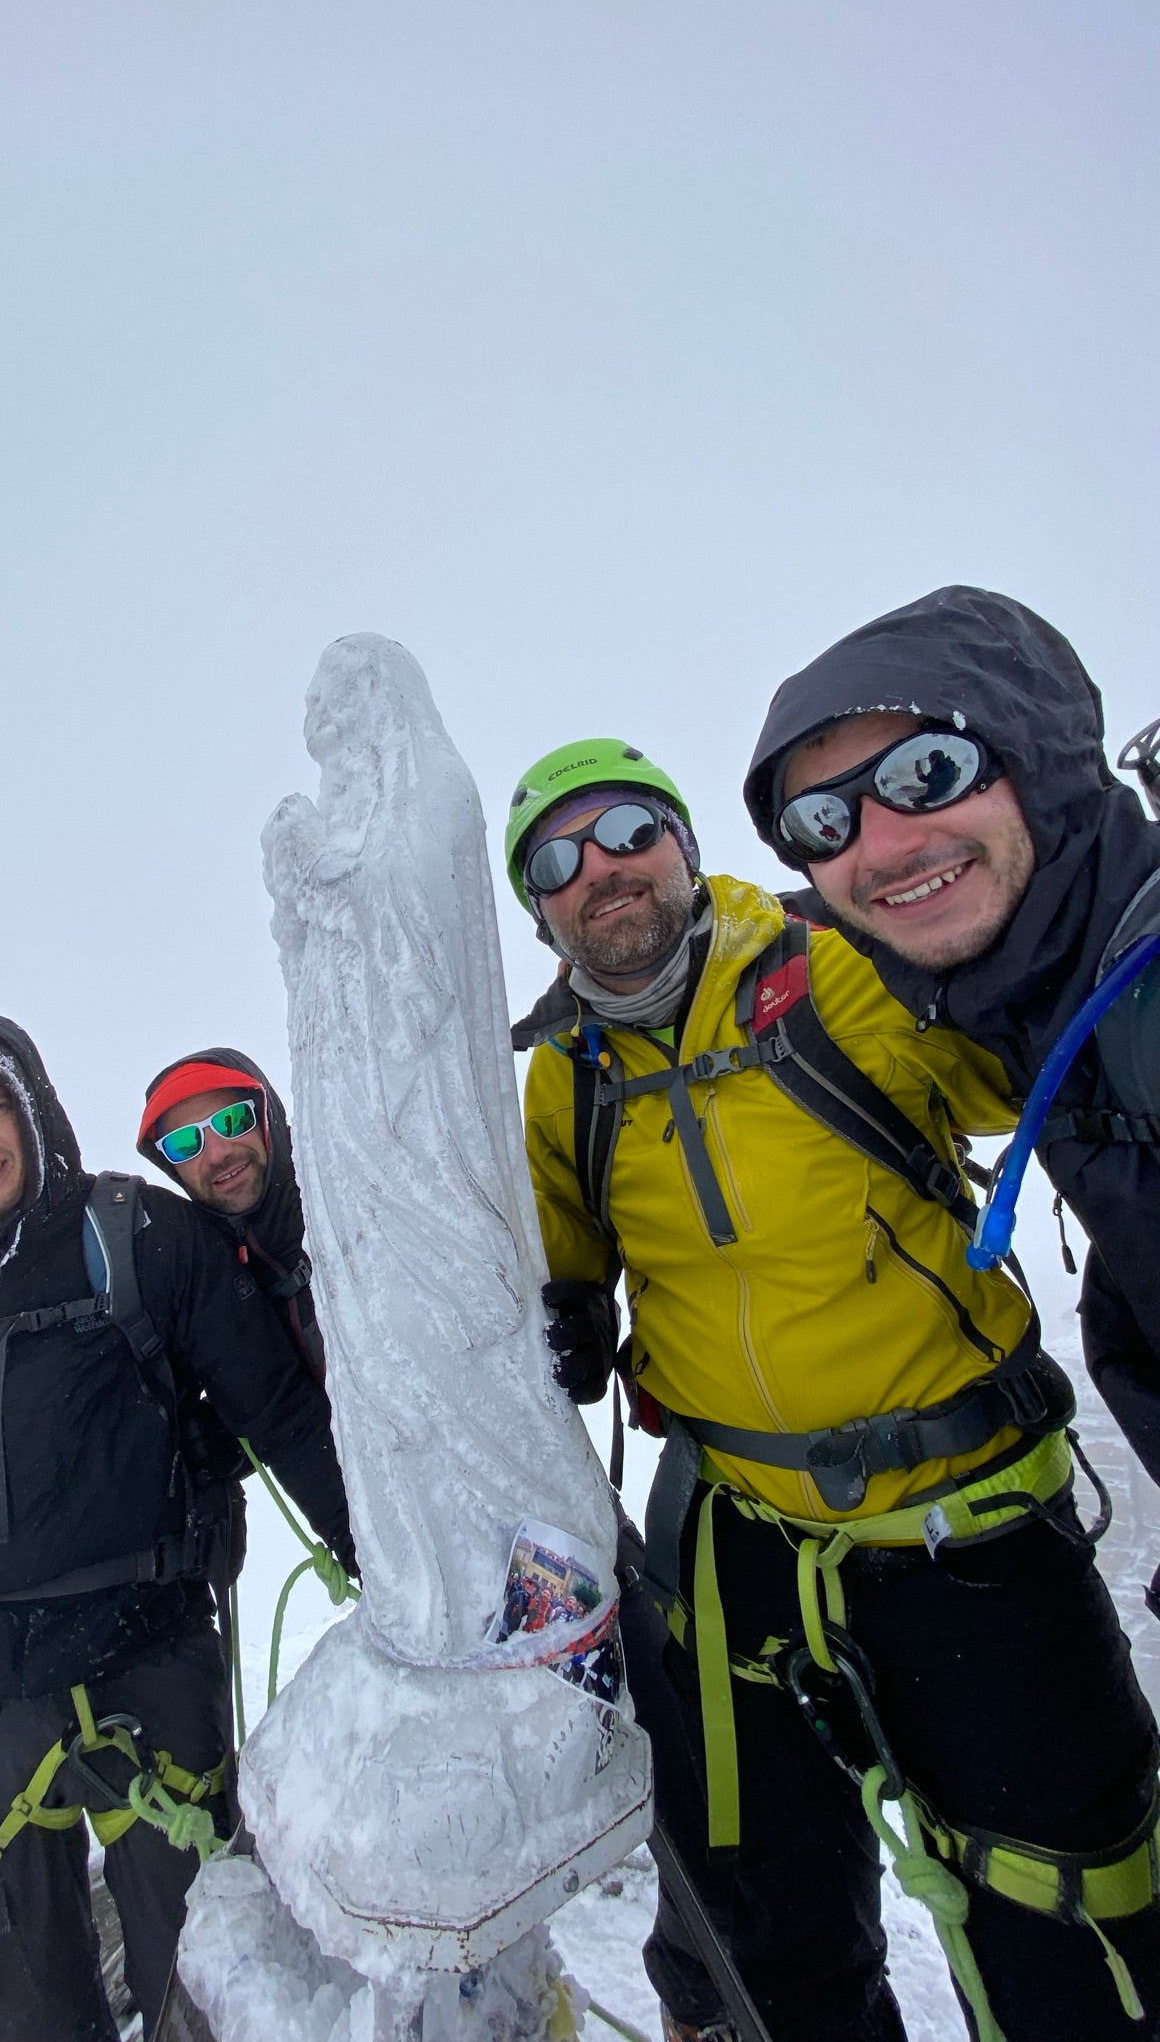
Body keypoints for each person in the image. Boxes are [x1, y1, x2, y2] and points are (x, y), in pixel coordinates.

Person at [505, 740, 1160, 2042]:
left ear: (688, 849)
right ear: (538, 908)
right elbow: (563, 1269)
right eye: (556, 858)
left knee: (1072, 1917)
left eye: (630, 828)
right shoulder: (563, 1079)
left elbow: (1031, 1056)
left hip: (966, 1516)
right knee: (773, 1927)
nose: (603, 871)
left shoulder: (837, 968)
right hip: (745, 1540)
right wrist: (558, 1322)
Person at [0, 1012, 353, 2042]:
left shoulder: (143, 1236)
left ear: (33, 1109)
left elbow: (282, 1413)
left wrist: (384, 1565)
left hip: (149, 1652)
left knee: (210, 1967)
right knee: (18, 1992)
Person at [743, 587, 1160, 1522]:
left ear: (1037, 754)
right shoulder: (1044, 999)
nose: (882, 845)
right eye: (821, 823)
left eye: (927, 771)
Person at [137, 1049, 327, 1385]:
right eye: (184, 1143)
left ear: (266, 1118)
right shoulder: (201, 1283)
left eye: (232, 1120)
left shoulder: (345, 1194)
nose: (217, 1154)